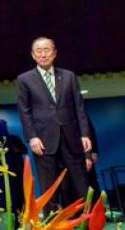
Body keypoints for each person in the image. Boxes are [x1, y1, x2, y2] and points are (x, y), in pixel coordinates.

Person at [16, 37, 91, 213]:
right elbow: (24, 111)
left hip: (71, 139)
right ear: (33, 55)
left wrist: (85, 134)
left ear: (54, 53)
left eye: (47, 50)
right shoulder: (24, 79)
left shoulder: (68, 76)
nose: (43, 54)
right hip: (43, 141)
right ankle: (51, 222)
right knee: (49, 187)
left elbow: (79, 107)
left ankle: (86, 221)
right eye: (39, 51)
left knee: (81, 185)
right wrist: (32, 137)